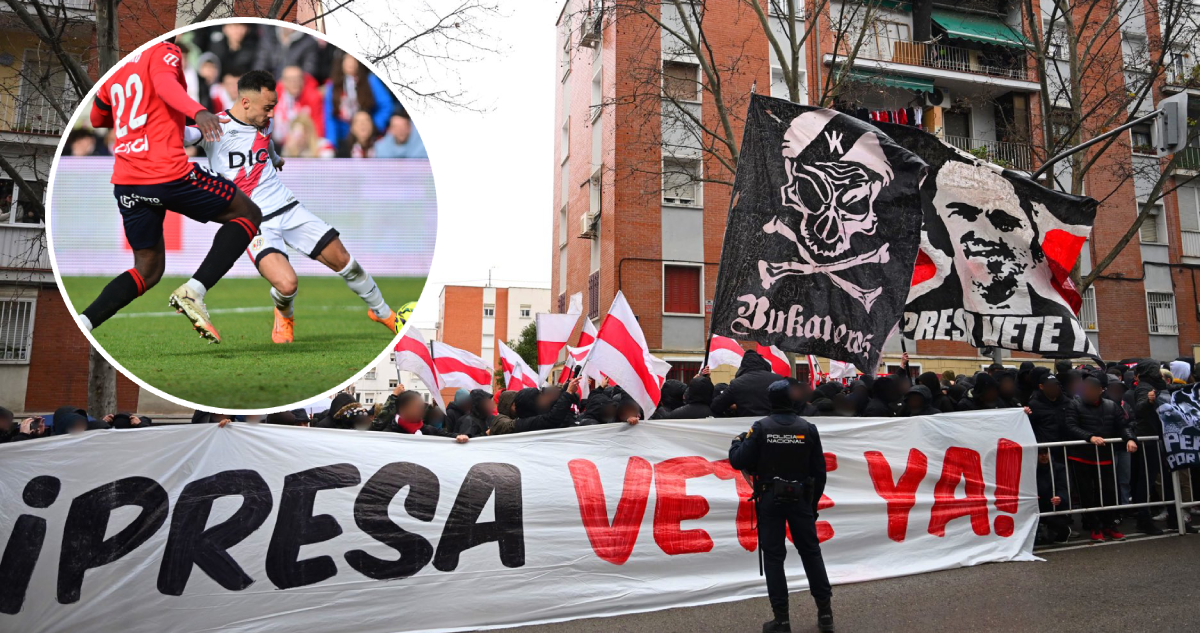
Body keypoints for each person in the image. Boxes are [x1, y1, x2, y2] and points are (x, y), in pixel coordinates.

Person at [184, 70, 404, 341]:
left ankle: (383, 313)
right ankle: (284, 312)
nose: (272, 114)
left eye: (274, 107)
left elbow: (266, 143)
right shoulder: (213, 127)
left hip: (288, 208)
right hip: (253, 222)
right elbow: (180, 136)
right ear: (245, 103)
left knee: (346, 262)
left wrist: (274, 159)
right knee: (287, 285)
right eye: (267, 107)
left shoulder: (263, 122)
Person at [81, 38, 262, 343]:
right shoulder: (163, 49)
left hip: (127, 181)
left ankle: (85, 322)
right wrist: (199, 112)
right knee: (248, 214)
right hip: (166, 173)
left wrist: (137, 118)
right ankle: (194, 291)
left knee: (148, 270)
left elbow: (98, 118)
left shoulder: (118, 69)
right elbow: (165, 85)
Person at [728, 380, 833, 633]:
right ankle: (826, 614)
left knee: (774, 559)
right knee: (811, 553)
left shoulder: (761, 428)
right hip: (801, 501)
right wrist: (813, 503)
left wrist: (737, 441)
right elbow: (819, 472)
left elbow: (738, 460)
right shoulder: (808, 429)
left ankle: (782, 620)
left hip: (771, 500)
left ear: (770, 401)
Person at [1064, 376, 1131, 542]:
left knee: (1109, 492)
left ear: (1101, 390)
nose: (1088, 392)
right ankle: (1094, 526)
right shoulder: (1075, 404)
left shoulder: (1111, 406)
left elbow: (1123, 426)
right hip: (1081, 456)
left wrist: (1130, 438)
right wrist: (1090, 437)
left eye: (1092, 389)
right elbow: (1071, 426)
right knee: (1086, 494)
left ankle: (1109, 525)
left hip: (1105, 455)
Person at [324, 51, 393, 147]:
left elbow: (386, 105)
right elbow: (329, 116)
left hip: (370, 135)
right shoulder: (333, 86)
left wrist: (375, 126)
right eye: (347, 60)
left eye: (353, 60)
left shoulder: (370, 80)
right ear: (341, 63)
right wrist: (331, 143)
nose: (350, 63)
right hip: (343, 137)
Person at [371, 384, 468, 441]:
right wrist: (393, 396)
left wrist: (459, 437)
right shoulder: (388, 434)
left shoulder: (428, 430)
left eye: (422, 406)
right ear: (402, 409)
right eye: (417, 407)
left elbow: (448, 436)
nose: (421, 410)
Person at [712, 350, 779, 417]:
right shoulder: (778, 380)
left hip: (747, 425)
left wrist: (735, 406)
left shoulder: (737, 384)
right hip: (775, 424)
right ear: (763, 363)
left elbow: (716, 406)